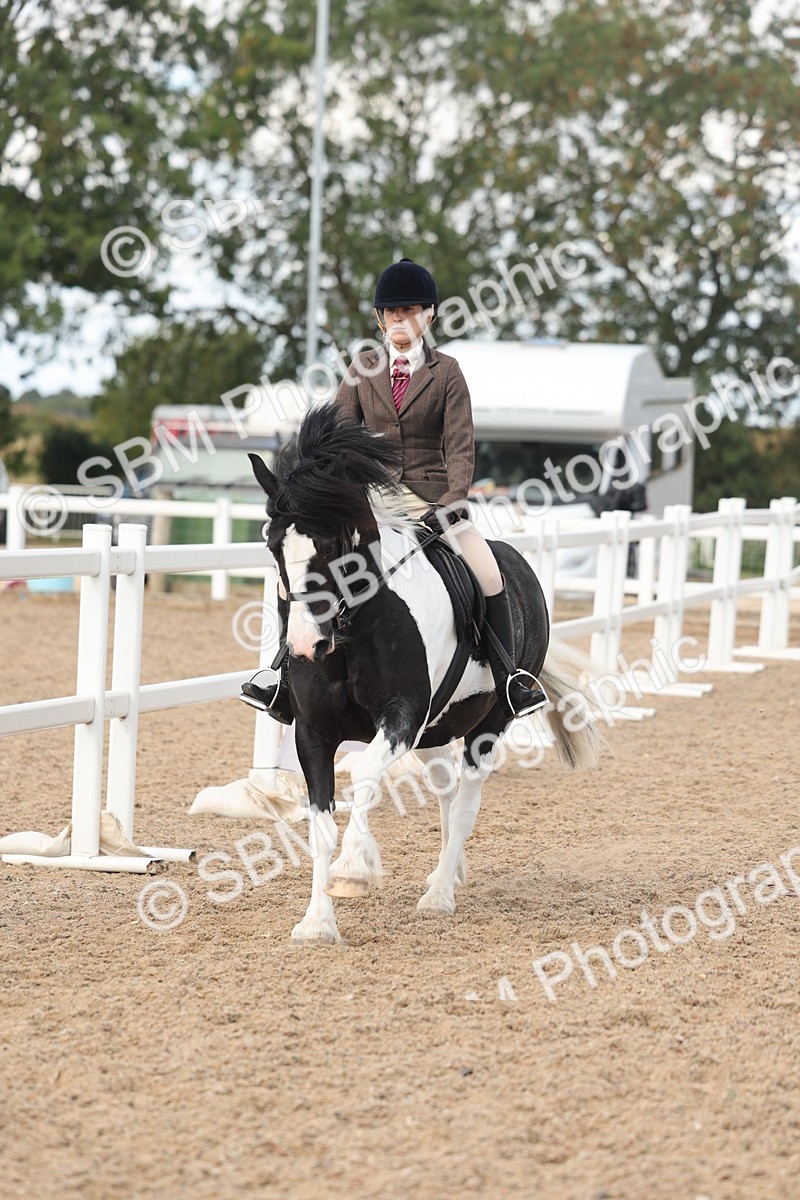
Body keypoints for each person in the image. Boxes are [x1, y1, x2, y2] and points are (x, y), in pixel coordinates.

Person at [240, 257, 546, 723]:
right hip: (370, 501)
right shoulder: (362, 369)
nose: (401, 320)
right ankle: (282, 675)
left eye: (412, 311)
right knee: (302, 564)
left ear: (430, 316)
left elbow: (460, 447)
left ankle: (509, 679)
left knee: (489, 572)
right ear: (380, 319)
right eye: (392, 312)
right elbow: (333, 441)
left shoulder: (447, 373)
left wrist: (451, 505)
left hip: (431, 498)